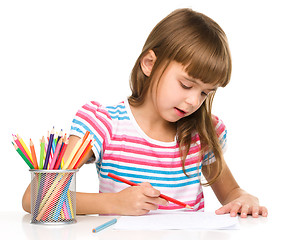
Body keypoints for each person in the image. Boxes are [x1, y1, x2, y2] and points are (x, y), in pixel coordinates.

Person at [22, 8, 268, 218]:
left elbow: (232, 194)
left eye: (205, 93)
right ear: (149, 63)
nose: (194, 101)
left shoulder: (202, 133)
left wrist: (244, 199)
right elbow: (35, 197)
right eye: (186, 84)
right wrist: (113, 203)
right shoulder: (104, 125)